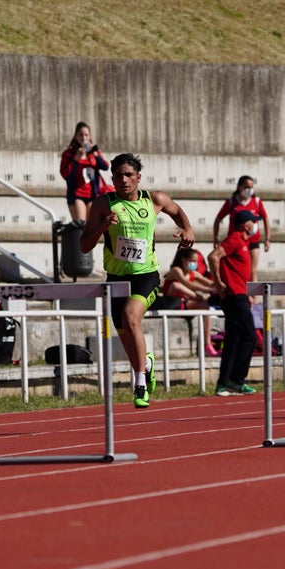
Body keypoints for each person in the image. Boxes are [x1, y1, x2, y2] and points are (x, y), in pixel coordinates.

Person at [79, 153, 196, 408]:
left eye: (128, 175)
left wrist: (187, 228)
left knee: (130, 316)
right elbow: (84, 245)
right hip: (116, 278)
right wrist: (102, 227)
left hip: (146, 276)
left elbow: (177, 211)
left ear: (138, 177)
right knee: (126, 335)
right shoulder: (103, 204)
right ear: (112, 179)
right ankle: (146, 364)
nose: (123, 179)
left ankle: (139, 382)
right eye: (118, 175)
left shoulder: (154, 199)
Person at [208, 209, 260, 396]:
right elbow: (213, 256)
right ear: (246, 225)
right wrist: (217, 282)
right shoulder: (235, 239)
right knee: (249, 337)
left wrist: (249, 294)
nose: (256, 225)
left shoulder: (244, 243)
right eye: (254, 222)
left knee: (234, 339)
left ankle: (226, 382)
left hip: (240, 296)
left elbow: (240, 272)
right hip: (234, 297)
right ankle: (235, 380)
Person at [212, 175, 271, 280]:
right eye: (247, 187)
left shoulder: (256, 201)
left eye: (251, 187)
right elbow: (217, 219)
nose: (249, 190)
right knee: (237, 270)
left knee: (253, 272)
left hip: (253, 240)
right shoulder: (231, 202)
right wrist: (215, 238)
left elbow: (265, 218)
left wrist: (267, 239)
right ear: (239, 187)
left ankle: (252, 291)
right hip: (236, 241)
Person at [162, 247, 219, 356]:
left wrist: (220, 284)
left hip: (185, 304)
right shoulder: (176, 270)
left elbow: (210, 283)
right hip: (171, 303)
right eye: (193, 261)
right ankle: (197, 297)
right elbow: (186, 283)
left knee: (206, 307)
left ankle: (207, 344)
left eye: (196, 261)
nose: (195, 264)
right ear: (184, 260)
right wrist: (207, 291)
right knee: (176, 285)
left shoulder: (194, 273)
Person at [60, 122, 112, 224]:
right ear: (76, 137)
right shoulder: (69, 154)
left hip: (92, 195)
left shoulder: (92, 153)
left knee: (92, 226)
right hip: (77, 194)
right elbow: (65, 174)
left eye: (86, 135)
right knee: (81, 225)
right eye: (80, 135)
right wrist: (75, 159)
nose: (84, 138)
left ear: (90, 136)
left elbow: (105, 166)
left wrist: (94, 152)